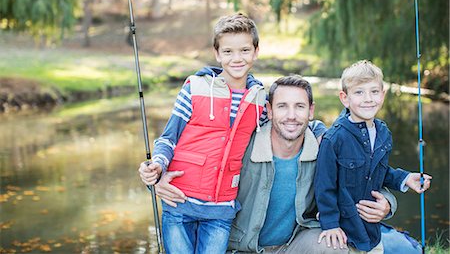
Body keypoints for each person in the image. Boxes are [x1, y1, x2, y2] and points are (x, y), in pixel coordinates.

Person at [141, 75, 397, 253]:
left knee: (334, 247)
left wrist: (387, 203)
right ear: (269, 110)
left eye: (299, 107)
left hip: (292, 244)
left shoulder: (325, 145)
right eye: (282, 106)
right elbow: (199, 161)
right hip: (242, 247)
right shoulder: (244, 144)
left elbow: (368, 171)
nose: (291, 116)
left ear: (310, 111)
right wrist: (159, 177)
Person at [141, 13, 267, 253]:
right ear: (217, 53)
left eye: (244, 50)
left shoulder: (260, 100)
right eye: (228, 52)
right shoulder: (195, 88)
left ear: (255, 51)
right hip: (178, 201)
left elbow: (284, 125)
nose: (236, 58)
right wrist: (157, 166)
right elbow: (168, 138)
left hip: (221, 210)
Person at [314, 60, 432, 253]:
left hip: (371, 231)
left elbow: (379, 171)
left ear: (382, 95)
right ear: (345, 98)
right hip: (344, 229)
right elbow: (324, 185)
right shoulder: (334, 138)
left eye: (374, 91)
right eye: (359, 92)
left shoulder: (383, 133)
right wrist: (330, 224)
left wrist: (405, 178)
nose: (368, 98)